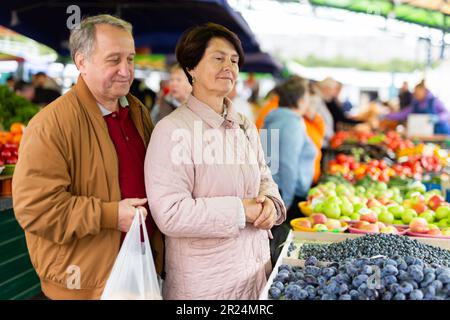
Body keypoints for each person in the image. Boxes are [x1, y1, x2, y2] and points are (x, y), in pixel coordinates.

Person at [12, 14, 164, 300]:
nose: (125, 70)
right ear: (82, 63)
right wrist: (111, 215)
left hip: (138, 273)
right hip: (83, 286)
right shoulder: (51, 124)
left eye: (130, 59)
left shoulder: (137, 112)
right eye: (113, 59)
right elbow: (35, 209)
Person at [145, 23, 286, 300]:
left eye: (234, 60)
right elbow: (170, 213)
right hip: (206, 285)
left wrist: (270, 203)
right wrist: (240, 211)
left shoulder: (243, 124)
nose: (229, 67)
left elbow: (264, 175)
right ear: (191, 67)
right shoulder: (172, 130)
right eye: (218, 58)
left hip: (255, 274)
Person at [262, 79, 316, 263]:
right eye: (307, 97)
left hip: (274, 191)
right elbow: (288, 164)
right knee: (284, 253)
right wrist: (285, 203)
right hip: (286, 197)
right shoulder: (292, 123)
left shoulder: (273, 117)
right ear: (300, 100)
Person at [385, 82, 450, 135]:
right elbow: (402, 114)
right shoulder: (415, 104)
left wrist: (438, 118)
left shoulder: (434, 101)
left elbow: (447, 113)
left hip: (441, 132)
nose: (415, 94)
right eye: (415, 93)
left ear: (423, 91)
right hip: (427, 134)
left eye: (417, 92)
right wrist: (387, 115)